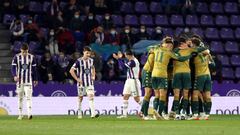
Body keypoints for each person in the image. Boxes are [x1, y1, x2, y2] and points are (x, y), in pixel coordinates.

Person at [151, 37, 193, 120]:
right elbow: (180, 58)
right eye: (170, 44)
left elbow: (150, 49)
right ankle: (160, 113)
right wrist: (190, 56)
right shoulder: (169, 53)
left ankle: (155, 112)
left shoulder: (156, 48)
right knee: (163, 95)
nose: (170, 46)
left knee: (157, 95)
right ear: (169, 45)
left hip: (153, 74)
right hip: (162, 75)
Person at [69, 46, 99, 119]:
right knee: (80, 98)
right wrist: (77, 79)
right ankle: (79, 111)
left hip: (89, 83)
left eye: (89, 53)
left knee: (91, 97)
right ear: (83, 52)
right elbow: (71, 71)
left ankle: (93, 114)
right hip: (81, 84)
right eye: (87, 53)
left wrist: (93, 75)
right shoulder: (78, 61)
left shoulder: (91, 60)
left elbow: (92, 68)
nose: (88, 54)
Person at [11, 43, 38, 120]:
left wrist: (35, 79)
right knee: (20, 98)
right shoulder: (16, 57)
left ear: (28, 50)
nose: (24, 53)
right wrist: (15, 75)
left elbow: (34, 69)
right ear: (20, 50)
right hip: (20, 81)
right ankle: (20, 114)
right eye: (23, 52)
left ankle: (29, 114)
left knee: (28, 97)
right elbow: (13, 67)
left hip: (28, 81)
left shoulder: (32, 57)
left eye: (26, 52)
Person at [190, 37, 215, 120]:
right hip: (208, 75)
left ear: (194, 44)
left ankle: (195, 114)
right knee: (207, 96)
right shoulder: (207, 53)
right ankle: (207, 115)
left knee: (195, 94)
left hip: (200, 75)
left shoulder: (194, 52)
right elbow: (213, 64)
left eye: (191, 43)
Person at [113, 50, 142, 118]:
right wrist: (119, 59)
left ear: (129, 55)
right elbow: (123, 66)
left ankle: (147, 109)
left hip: (134, 81)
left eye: (126, 55)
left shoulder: (134, 61)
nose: (126, 57)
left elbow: (123, 67)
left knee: (136, 99)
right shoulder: (130, 61)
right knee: (125, 96)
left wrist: (119, 59)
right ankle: (124, 114)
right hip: (128, 80)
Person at [139, 48, 155, 120]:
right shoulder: (154, 53)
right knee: (148, 93)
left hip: (151, 72)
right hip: (147, 71)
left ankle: (142, 111)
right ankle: (144, 114)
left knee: (150, 93)